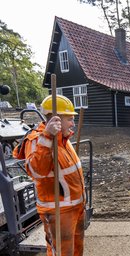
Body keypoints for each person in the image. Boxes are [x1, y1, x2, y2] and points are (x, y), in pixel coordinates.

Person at [13, 95, 85, 256]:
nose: (73, 123)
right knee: (61, 252)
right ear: (56, 119)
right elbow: (37, 171)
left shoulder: (62, 140)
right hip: (58, 212)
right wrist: (46, 137)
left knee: (76, 249)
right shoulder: (38, 140)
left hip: (75, 208)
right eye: (69, 119)